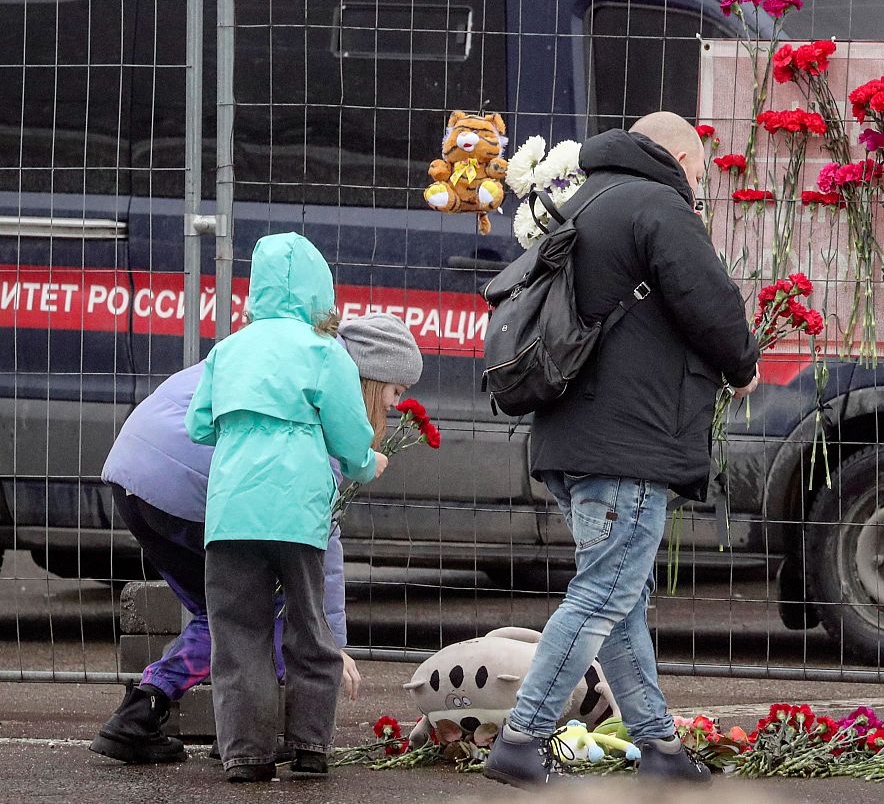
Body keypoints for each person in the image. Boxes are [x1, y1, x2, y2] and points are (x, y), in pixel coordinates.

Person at [484, 112, 760, 789]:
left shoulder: (585, 198)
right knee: (603, 594)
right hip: (628, 444)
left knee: (618, 600)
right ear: (681, 159)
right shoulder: (659, 205)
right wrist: (744, 363)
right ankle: (523, 735)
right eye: (699, 174)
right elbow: (715, 307)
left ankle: (659, 746)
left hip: (574, 438)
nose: (700, 188)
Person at [90, 309, 423, 766]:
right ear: (371, 377)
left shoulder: (284, 348)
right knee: (264, 610)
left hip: (133, 476)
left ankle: (141, 716)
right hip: (185, 488)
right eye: (394, 392)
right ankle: (259, 736)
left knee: (223, 615)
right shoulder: (325, 388)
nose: (394, 406)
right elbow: (317, 531)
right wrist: (330, 639)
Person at [185, 233, 393, 782]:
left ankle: (247, 755)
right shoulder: (323, 351)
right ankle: (309, 747)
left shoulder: (228, 348)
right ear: (317, 292)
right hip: (298, 511)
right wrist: (368, 462)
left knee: (238, 635)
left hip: (231, 511)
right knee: (309, 624)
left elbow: (198, 423)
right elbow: (350, 439)